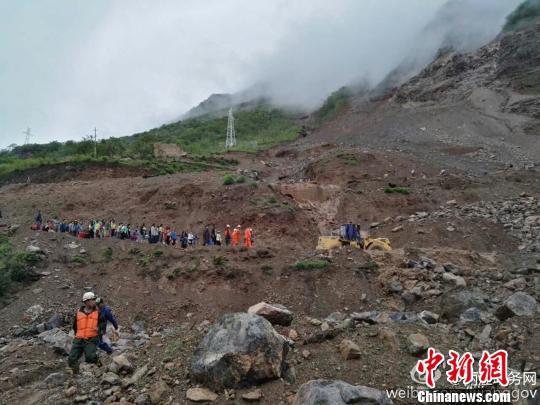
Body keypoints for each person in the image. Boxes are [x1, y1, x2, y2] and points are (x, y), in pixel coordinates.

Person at [67, 292, 106, 372]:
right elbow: (75, 326)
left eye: (95, 300)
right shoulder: (78, 313)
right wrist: (77, 335)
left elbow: (103, 323)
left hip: (91, 339)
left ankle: (97, 361)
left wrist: (99, 328)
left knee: (90, 357)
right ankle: (74, 372)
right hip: (79, 339)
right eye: (93, 300)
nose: (94, 302)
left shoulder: (98, 312)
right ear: (87, 301)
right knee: (72, 357)